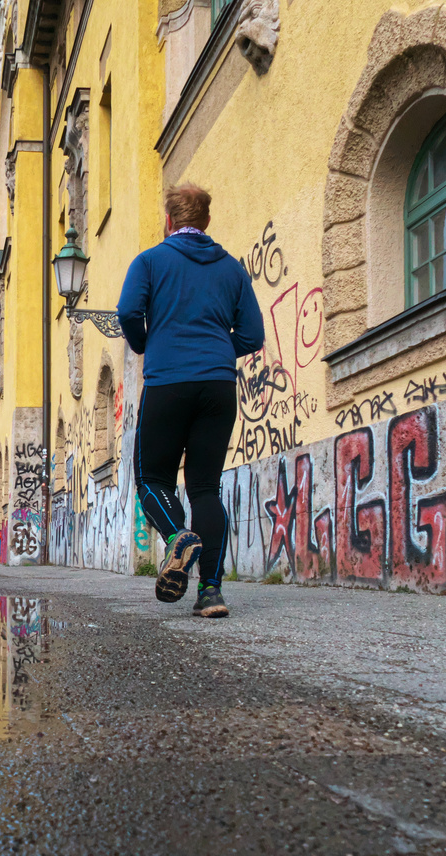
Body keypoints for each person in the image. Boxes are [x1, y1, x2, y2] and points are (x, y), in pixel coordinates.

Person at [117, 183, 264, 617]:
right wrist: (217, 352)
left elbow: (128, 312)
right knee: (205, 486)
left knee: (151, 478)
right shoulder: (233, 271)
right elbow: (252, 335)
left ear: (169, 220)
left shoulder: (149, 261)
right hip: (218, 387)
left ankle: (179, 538)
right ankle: (211, 593)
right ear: (206, 222)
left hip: (167, 383)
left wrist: (148, 344)